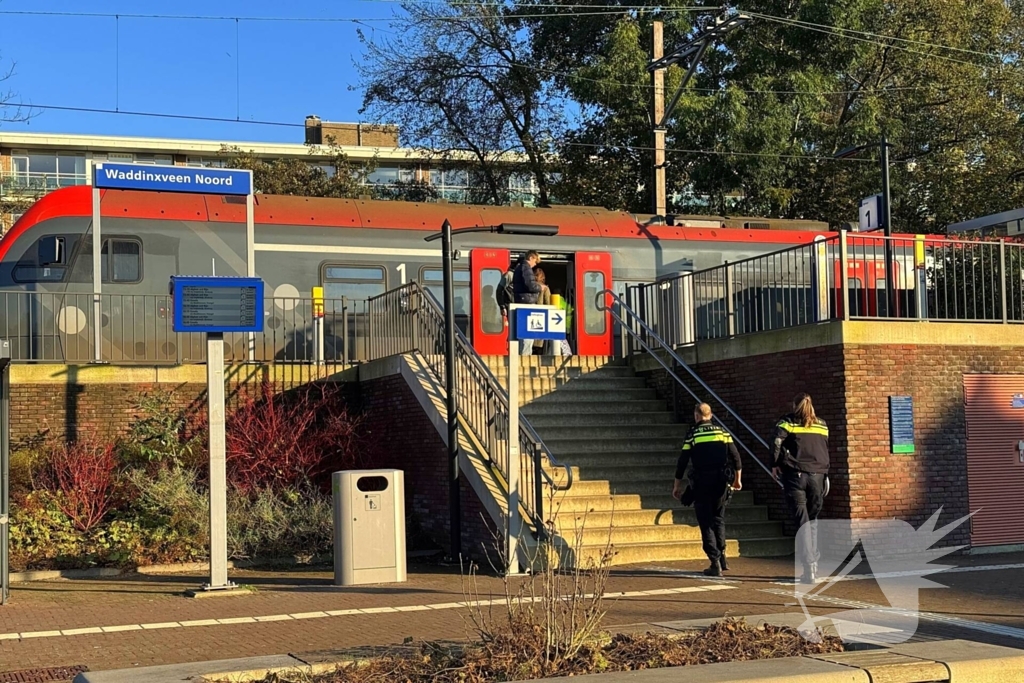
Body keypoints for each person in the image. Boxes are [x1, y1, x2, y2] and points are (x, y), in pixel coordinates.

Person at [673, 403, 742, 577]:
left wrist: (677, 485)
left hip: (702, 483)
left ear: (697, 416)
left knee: (705, 522)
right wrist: (737, 479)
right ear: (710, 415)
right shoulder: (723, 432)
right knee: (718, 518)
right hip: (721, 482)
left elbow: (682, 462)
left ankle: (714, 562)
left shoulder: (693, 435)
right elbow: (736, 457)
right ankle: (723, 556)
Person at [772, 393, 829, 584]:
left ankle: (809, 567)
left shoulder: (787, 422)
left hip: (796, 475)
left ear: (794, 405)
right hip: (818, 476)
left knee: (803, 522)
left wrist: (775, 464)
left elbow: (776, 442)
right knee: (812, 521)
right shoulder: (822, 425)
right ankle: (813, 565)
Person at [512, 251, 542, 354]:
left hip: (522, 301)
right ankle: (525, 357)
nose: (535, 264)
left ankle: (522, 355)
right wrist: (540, 287)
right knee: (528, 335)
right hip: (527, 303)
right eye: (535, 261)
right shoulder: (526, 268)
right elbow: (530, 285)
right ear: (531, 258)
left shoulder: (519, 268)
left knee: (522, 335)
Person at [533, 266, 552, 355]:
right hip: (541, 317)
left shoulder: (529, 287)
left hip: (530, 316)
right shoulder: (545, 289)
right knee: (540, 345)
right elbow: (548, 303)